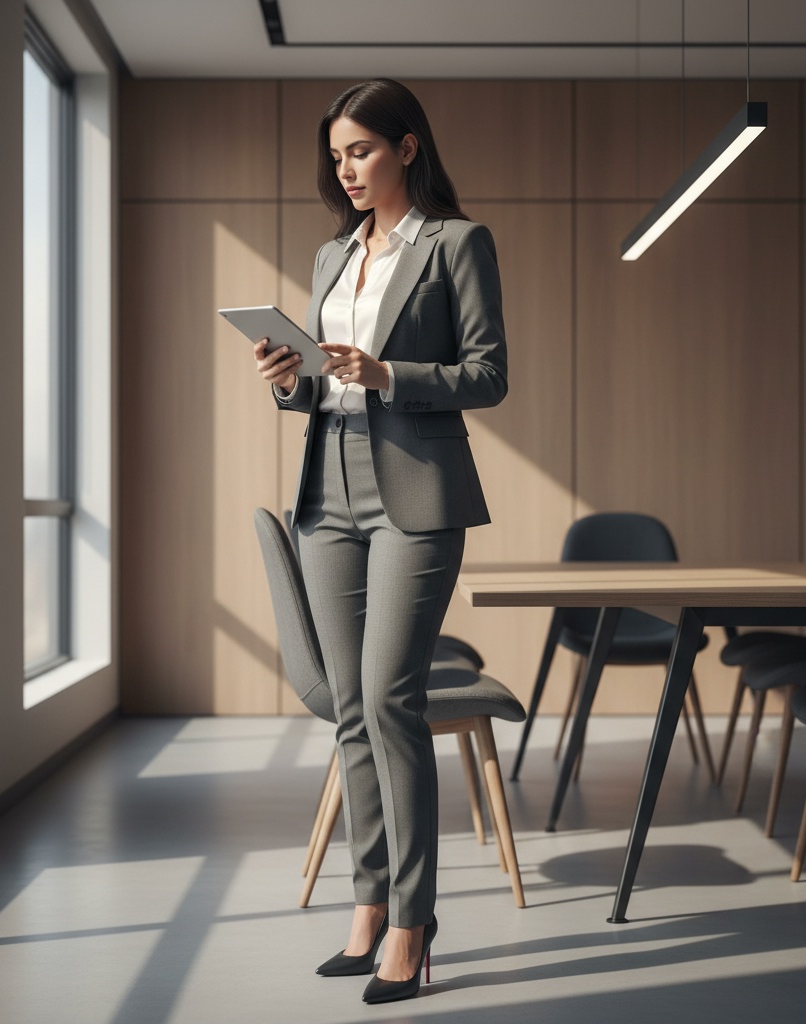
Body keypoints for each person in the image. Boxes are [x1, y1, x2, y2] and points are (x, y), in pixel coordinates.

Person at [253, 78, 507, 1004]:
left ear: (405, 147)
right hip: (330, 488)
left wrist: (390, 371)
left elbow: (489, 376)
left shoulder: (457, 244)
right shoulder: (329, 257)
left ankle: (412, 920)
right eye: (336, 156)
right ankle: (367, 907)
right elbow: (325, 388)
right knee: (352, 711)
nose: (346, 169)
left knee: (391, 700)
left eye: (360, 150)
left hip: (417, 491)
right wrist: (292, 379)